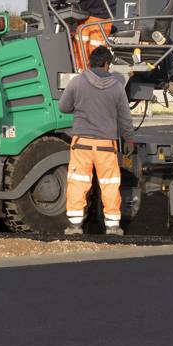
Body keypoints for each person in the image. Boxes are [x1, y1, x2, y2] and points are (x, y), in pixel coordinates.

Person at [58, 45, 133, 236]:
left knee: (78, 182)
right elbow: (125, 118)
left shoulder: (77, 82)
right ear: (107, 64)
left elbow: (63, 107)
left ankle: (75, 226)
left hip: (81, 143)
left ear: (90, 62)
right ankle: (113, 226)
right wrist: (129, 140)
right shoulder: (117, 87)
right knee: (109, 183)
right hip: (106, 145)